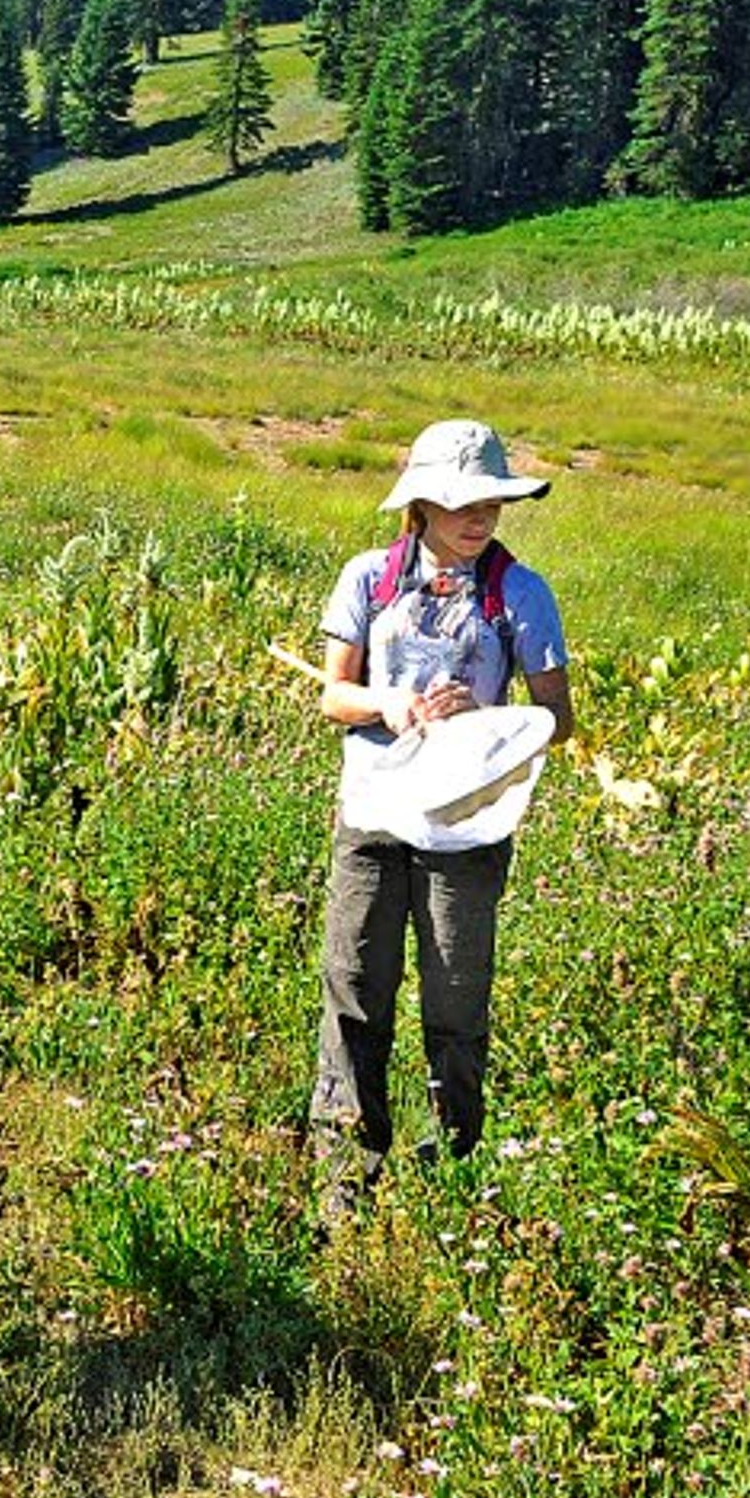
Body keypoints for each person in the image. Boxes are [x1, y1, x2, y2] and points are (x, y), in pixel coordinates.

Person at [308, 419, 574, 1220]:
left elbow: (555, 717)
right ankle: (344, 1179)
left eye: (491, 500)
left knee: (456, 999)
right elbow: (333, 696)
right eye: (463, 502)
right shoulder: (369, 578)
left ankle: (451, 1168)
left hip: (465, 828)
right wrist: (390, 702)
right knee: (356, 988)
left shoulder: (521, 594)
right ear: (419, 502)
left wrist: (477, 724)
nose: (481, 517)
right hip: (375, 814)